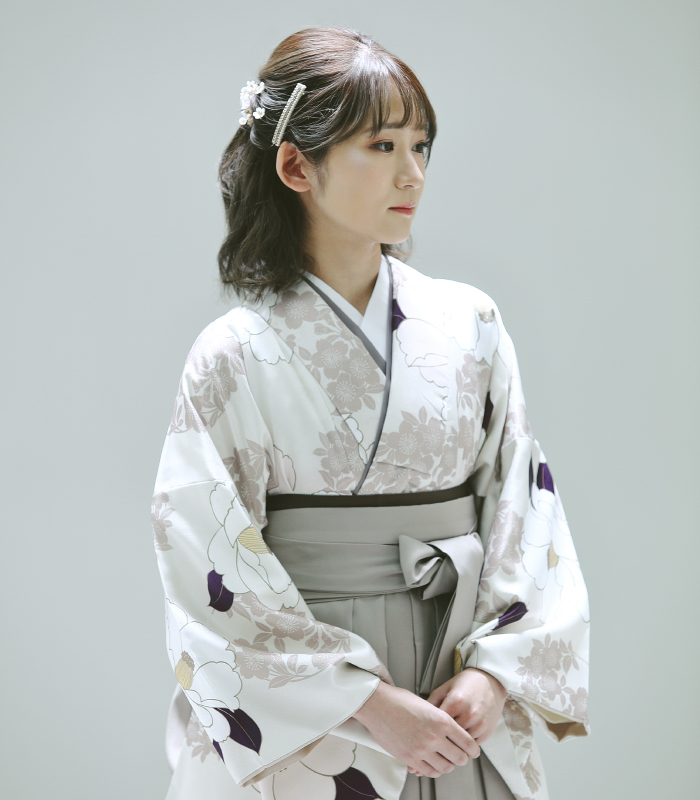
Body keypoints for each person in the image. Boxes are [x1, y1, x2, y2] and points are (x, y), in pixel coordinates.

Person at [152, 25, 590, 800]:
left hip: (459, 680)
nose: (412, 172)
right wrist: (365, 703)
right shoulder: (232, 355)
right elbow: (207, 568)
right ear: (297, 166)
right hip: (322, 717)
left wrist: (495, 673)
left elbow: (526, 509)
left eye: (421, 147)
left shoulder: (471, 324)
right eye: (382, 146)